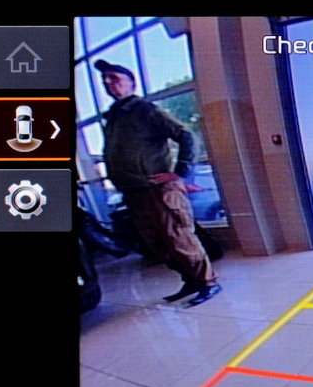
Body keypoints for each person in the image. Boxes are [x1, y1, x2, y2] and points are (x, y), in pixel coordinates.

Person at [94, 59, 220, 306]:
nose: (108, 82)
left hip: (158, 190)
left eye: (115, 78)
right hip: (135, 192)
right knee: (158, 243)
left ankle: (208, 282)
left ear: (132, 83)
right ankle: (191, 280)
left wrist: (180, 172)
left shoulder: (144, 110)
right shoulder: (115, 117)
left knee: (179, 239)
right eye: (105, 79)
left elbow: (186, 135)